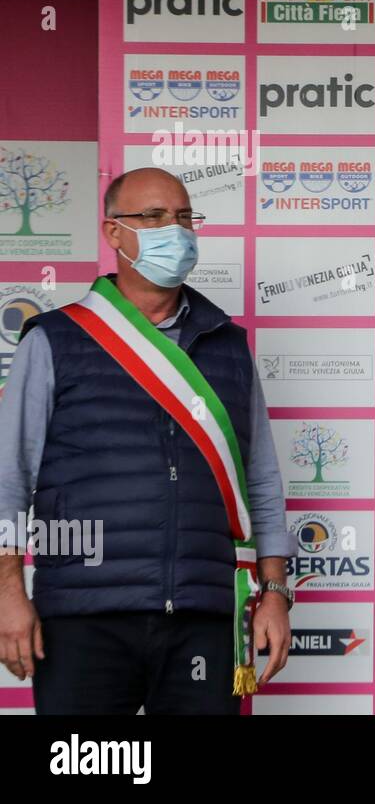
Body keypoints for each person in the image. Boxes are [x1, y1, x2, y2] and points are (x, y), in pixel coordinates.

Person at [0, 167, 295, 714]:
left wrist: (274, 595)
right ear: (114, 233)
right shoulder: (55, 340)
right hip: (85, 616)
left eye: (184, 217)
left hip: (204, 617)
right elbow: (8, 479)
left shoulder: (228, 345)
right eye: (153, 217)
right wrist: (8, 593)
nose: (174, 230)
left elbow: (262, 481)